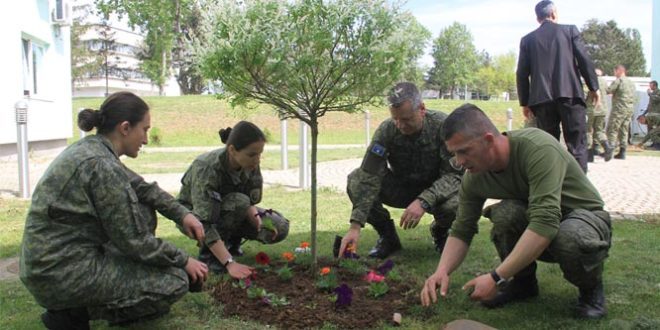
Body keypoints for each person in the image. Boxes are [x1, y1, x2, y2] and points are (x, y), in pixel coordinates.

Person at [20, 92, 209, 330]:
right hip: (61, 273)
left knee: (141, 207)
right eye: (145, 130)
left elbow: (142, 188)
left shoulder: (92, 150)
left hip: (50, 264)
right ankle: (73, 314)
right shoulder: (102, 165)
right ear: (126, 128)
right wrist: (184, 261)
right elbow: (135, 240)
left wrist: (183, 214)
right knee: (175, 280)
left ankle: (72, 308)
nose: (146, 139)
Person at [420, 104, 612, 319]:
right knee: (505, 214)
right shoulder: (473, 177)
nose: (460, 161)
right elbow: (462, 229)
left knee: (569, 237)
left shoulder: (538, 148)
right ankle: (523, 284)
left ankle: (591, 290)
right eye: (454, 153)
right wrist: (442, 271)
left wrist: (495, 277)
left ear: (489, 140)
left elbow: (545, 222)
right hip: (543, 222)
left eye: (464, 151)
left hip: (586, 220)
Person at [338, 82, 463, 259]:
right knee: (356, 180)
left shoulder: (443, 126)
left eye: (406, 119)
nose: (400, 125)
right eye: (395, 119)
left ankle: (441, 231)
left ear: (422, 109)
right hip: (401, 188)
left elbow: (454, 176)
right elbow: (369, 175)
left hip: (436, 192)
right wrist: (355, 225)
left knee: (456, 204)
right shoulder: (387, 130)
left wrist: (423, 201)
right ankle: (388, 237)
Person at [178, 121, 289, 276]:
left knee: (280, 226)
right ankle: (211, 257)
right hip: (194, 218)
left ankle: (232, 243)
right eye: (252, 154)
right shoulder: (207, 168)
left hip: (231, 209)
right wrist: (229, 263)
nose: (257, 160)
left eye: (259, 153)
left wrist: (255, 215)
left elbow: (247, 199)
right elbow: (204, 221)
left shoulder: (249, 163)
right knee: (238, 203)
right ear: (232, 150)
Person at [516, 0, 601, 172]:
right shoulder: (569, 31)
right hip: (570, 96)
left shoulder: (527, 40)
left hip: (541, 100)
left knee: (549, 147)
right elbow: (584, 60)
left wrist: (524, 102)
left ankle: (552, 188)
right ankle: (579, 192)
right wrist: (594, 87)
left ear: (537, 18)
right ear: (554, 14)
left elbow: (521, 73)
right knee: (577, 145)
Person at [605, 65, 637, 160]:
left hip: (619, 109)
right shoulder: (631, 82)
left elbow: (608, 90)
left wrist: (602, 84)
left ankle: (609, 151)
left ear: (619, 71)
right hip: (629, 109)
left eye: (615, 71)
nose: (614, 74)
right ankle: (622, 152)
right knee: (624, 130)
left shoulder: (618, 81)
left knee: (612, 129)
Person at [586, 68, 612, 162]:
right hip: (602, 110)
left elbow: (585, 94)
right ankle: (607, 147)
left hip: (591, 109)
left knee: (588, 131)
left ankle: (589, 155)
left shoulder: (588, 80)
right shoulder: (604, 82)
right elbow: (608, 91)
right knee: (599, 131)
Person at [637, 80, 660, 150]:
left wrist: (650, 94)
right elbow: (649, 106)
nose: (649, 87)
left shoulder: (658, 92)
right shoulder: (653, 93)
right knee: (650, 130)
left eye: (651, 85)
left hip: (656, 115)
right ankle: (653, 143)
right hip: (650, 115)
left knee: (654, 131)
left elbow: (657, 99)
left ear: (654, 85)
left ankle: (657, 144)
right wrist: (643, 114)